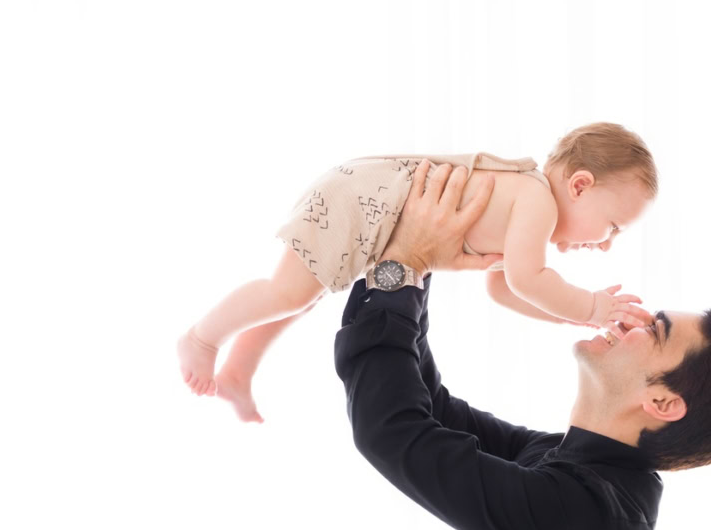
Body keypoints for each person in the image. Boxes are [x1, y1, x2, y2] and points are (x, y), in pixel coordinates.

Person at [334, 161, 711, 530]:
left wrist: (406, 263)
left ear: (663, 402)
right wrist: (419, 265)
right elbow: (432, 410)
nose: (631, 319)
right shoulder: (575, 466)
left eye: (655, 331)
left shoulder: (586, 516)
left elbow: (392, 431)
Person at [177, 122, 657, 422]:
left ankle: (238, 370)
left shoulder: (526, 213)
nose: (606, 243)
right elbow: (527, 280)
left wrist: (568, 315)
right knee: (289, 292)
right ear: (579, 185)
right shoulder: (537, 201)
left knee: (304, 293)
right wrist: (591, 306)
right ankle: (201, 340)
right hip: (362, 200)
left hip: (367, 200)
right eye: (613, 226)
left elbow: (504, 289)